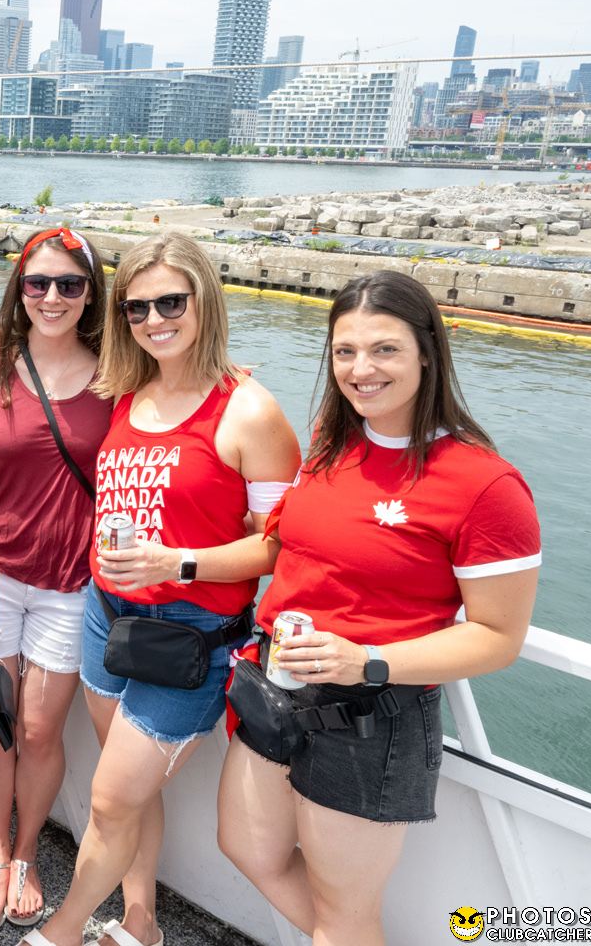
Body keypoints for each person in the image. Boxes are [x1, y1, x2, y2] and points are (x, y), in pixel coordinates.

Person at [217, 270, 540, 946]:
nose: (361, 370)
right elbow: (289, 544)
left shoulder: (485, 485)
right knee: (246, 846)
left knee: (344, 916)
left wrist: (368, 659)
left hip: (371, 715)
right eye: (345, 351)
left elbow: (497, 636)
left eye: (385, 349)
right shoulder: (333, 444)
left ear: (427, 352)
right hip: (277, 685)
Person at [26, 233, 301, 946]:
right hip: (107, 614)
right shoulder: (129, 392)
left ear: (204, 300)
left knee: (110, 799)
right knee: (129, 794)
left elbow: (277, 545)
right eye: (137, 307)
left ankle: (60, 931)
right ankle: (140, 919)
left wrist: (177, 564)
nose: (154, 320)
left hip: (191, 637)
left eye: (171, 302)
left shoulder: (248, 412)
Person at [0, 228, 111, 931]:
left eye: (69, 284)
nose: (52, 297)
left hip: (70, 581)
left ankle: (28, 850)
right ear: (19, 289)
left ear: (91, 294)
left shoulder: (117, 372)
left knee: (40, 730)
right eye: (37, 283)